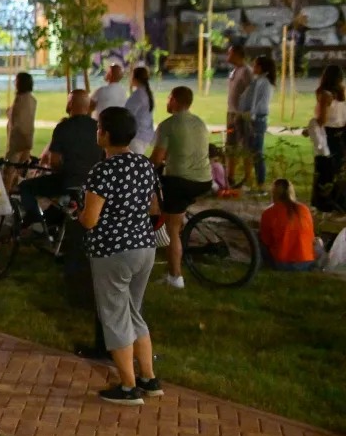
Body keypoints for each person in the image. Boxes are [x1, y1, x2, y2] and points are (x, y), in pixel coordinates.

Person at [78, 106, 163, 406]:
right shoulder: (144, 165)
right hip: (145, 246)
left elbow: (90, 220)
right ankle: (149, 379)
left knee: (115, 317)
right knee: (134, 313)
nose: (97, 131)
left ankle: (128, 387)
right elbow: (154, 207)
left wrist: (78, 214)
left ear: (106, 133)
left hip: (112, 251)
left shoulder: (102, 171)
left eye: (99, 127)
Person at [151, 86, 214, 290]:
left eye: (169, 98)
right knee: (175, 213)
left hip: (181, 181)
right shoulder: (200, 123)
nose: (167, 102)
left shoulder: (168, 125)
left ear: (176, 101)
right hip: (204, 179)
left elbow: (157, 159)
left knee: (173, 229)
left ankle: (175, 277)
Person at [18, 90, 103, 227]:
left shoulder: (63, 127)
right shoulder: (98, 127)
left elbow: (54, 162)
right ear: (87, 106)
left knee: (26, 187)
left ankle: (35, 219)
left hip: (68, 180)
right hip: (92, 183)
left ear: (70, 104)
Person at [259, 179, 325, 271]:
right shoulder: (304, 209)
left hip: (281, 264)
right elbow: (311, 238)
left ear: (274, 193)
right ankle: (317, 266)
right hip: (306, 262)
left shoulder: (269, 213)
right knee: (319, 242)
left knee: (259, 239)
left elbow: (266, 241)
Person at [311, 64, 346, 213]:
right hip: (342, 135)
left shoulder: (325, 95)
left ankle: (324, 204)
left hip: (328, 135)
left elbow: (322, 120)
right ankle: (339, 203)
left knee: (325, 170)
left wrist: (311, 127)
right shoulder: (342, 94)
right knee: (338, 170)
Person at [224, 44, 255, 188]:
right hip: (231, 114)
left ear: (237, 54)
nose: (227, 56)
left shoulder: (247, 71)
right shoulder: (235, 70)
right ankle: (230, 176)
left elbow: (251, 94)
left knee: (245, 146)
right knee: (230, 145)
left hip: (242, 116)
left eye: (229, 53)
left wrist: (243, 112)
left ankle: (248, 177)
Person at [247, 55, 276, 190]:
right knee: (255, 152)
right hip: (258, 118)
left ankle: (261, 183)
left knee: (257, 153)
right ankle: (258, 182)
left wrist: (250, 115)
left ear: (261, 67)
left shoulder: (263, 82)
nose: (253, 67)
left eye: (255, 65)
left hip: (258, 119)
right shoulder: (261, 81)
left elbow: (258, 103)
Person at [6, 72, 37, 181]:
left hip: (17, 140)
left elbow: (16, 120)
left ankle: (6, 193)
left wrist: (9, 113)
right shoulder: (33, 100)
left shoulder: (19, 100)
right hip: (28, 138)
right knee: (21, 170)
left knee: (9, 170)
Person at [124, 67, 155, 156]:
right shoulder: (147, 93)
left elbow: (127, 115)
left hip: (137, 137)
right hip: (146, 135)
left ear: (134, 77)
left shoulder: (138, 95)